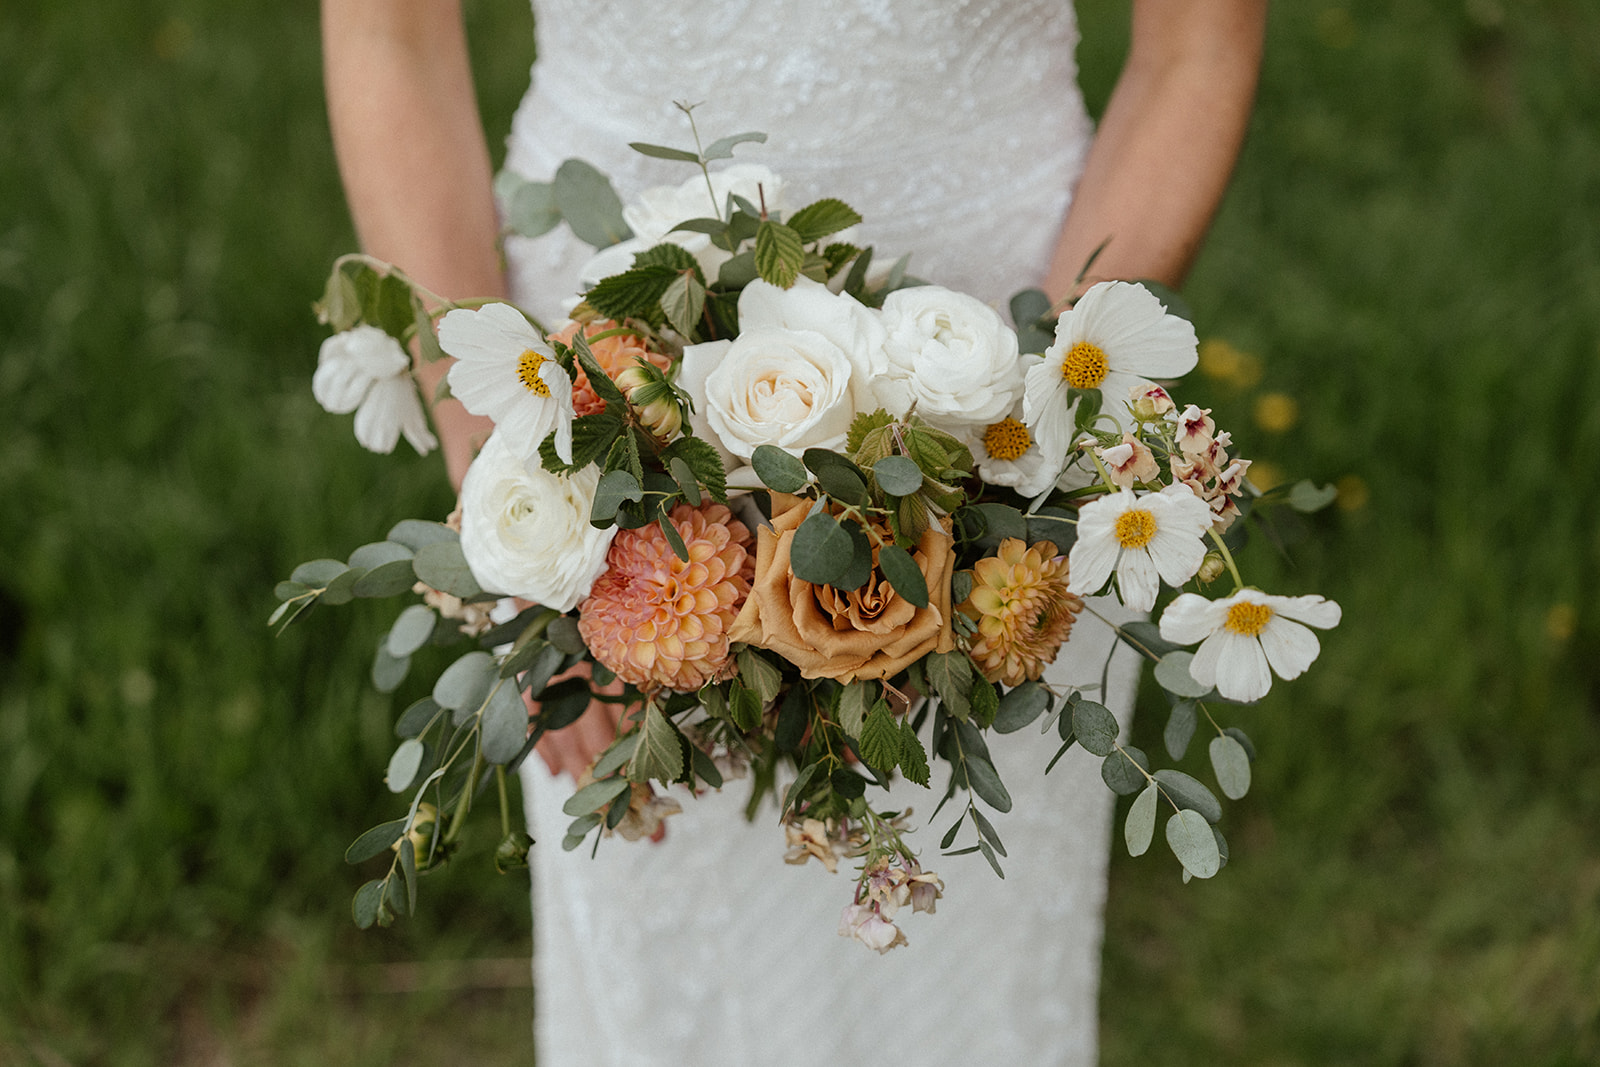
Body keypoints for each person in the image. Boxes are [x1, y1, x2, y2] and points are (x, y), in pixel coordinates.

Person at [321, 1, 1266, 1062]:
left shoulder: (1027, 427)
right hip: (607, 378)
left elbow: (1196, 45)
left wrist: (1030, 433)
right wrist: (508, 477)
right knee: (662, 931)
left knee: (964, 955)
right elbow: (387, 37)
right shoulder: (561, 440)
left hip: (1007, 362)